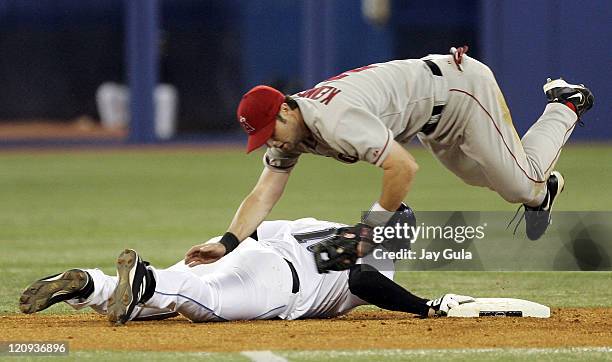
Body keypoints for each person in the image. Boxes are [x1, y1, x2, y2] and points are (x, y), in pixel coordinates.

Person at [198, 46, 594, 265]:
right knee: (481, 177)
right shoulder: (292, 131)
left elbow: (402, 167)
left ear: (286, 109)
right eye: (264, 139)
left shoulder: (335, 121)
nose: (274, 144)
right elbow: (264, 191)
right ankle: (542, 194)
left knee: (519, 184)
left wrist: (371, 231)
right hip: (431, 118)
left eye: (273, 132)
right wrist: (228, 241)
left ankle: (566, 105)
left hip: (461, 90)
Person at [19, 218, 472, 324]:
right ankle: (146, 277)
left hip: (248, 254)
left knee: (163, 305)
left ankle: (90, 285)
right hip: (276, 285)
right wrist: (424, 308)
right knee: (204, 306)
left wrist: (223, 245)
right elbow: (362, 280)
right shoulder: (374, 256)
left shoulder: (330, 226)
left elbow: (258, 231)